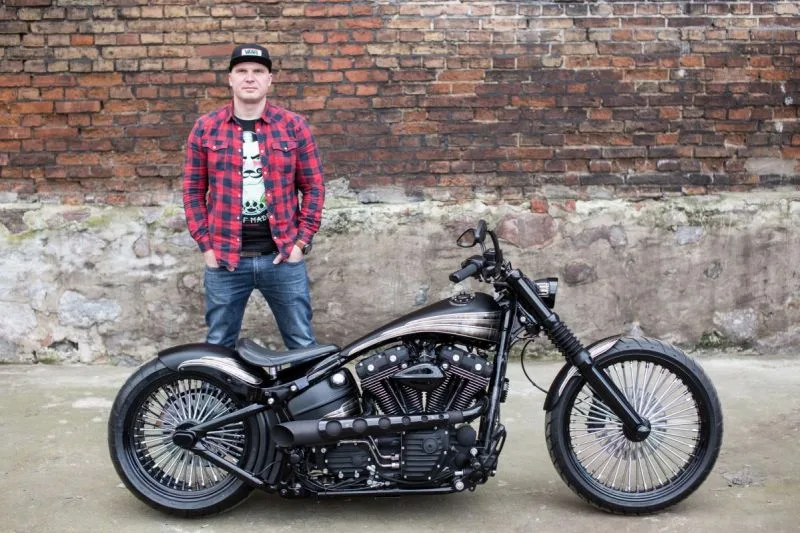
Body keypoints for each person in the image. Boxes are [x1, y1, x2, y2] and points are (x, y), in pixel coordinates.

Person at [183, 43, 324, 350]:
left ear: (269, 79)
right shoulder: (206, 128)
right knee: (218, 348)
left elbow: (314, 187)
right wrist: (207, 247)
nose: (250, 77)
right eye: (242, 71)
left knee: (303, 345)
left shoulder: (293, 126)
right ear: (230, 79)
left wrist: (300, 244)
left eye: (258, 71)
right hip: (225, 260)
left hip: (282, 256)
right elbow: (193, 190)